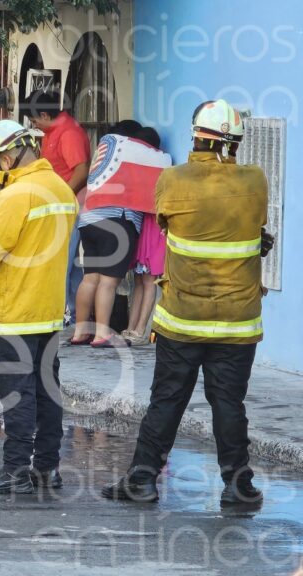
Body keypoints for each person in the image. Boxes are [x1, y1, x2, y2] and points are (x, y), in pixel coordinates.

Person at [103, 100, 270, 506]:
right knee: (229, 403)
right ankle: (237, 486)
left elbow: (166, 223)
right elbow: (254, 228)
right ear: (233, 143)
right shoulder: (255, 182)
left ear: (196, 136)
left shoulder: (172, 181)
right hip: (236, 322)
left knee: (167, 400)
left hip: (182, 319)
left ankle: (141, 481)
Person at [0, 119, 77, 494]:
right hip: (49, 311)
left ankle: (15, 471)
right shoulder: (62, 188)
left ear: (10, 155)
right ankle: (47, 469)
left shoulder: (16, 195)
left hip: (15, 310)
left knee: (17, 394)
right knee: (48, 391)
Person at [69, 120, 145, 348]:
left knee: (90, 277)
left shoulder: (104, 150)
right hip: (116, 221)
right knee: (108, 282)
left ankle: (81, 331)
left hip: (89, 220)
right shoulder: (133, 152)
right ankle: (102, 333)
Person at [24, 90, 91, 325]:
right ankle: (72, 316)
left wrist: (62, 196)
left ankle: (57, 314)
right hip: (59, 206)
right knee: (69, 265)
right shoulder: (53, 131)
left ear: (44, 114)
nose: (36, 126)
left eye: (35, 122)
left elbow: (81, 170)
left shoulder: (68, 132)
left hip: (68, 207)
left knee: (60, 263)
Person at [124, 127, 167, 346]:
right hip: (145, 228)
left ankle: (140, 330)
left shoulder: (161, 169)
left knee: (148, 280)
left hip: (154, 229)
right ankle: (132, 327)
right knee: (140, 280)